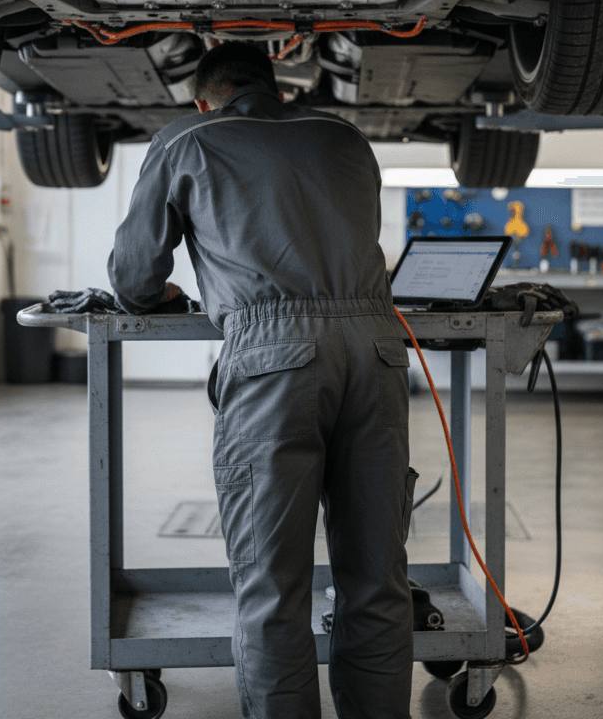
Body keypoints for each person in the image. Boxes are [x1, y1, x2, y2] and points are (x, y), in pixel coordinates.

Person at [108, 41, 413, 719]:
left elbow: (134, 276)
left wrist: (161, 298)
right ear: (278, 88)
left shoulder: (186, 139)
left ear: (203, 100)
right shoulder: (345, 136)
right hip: (377, 351)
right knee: (378, 583)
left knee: (273, 591)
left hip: (276, 360)